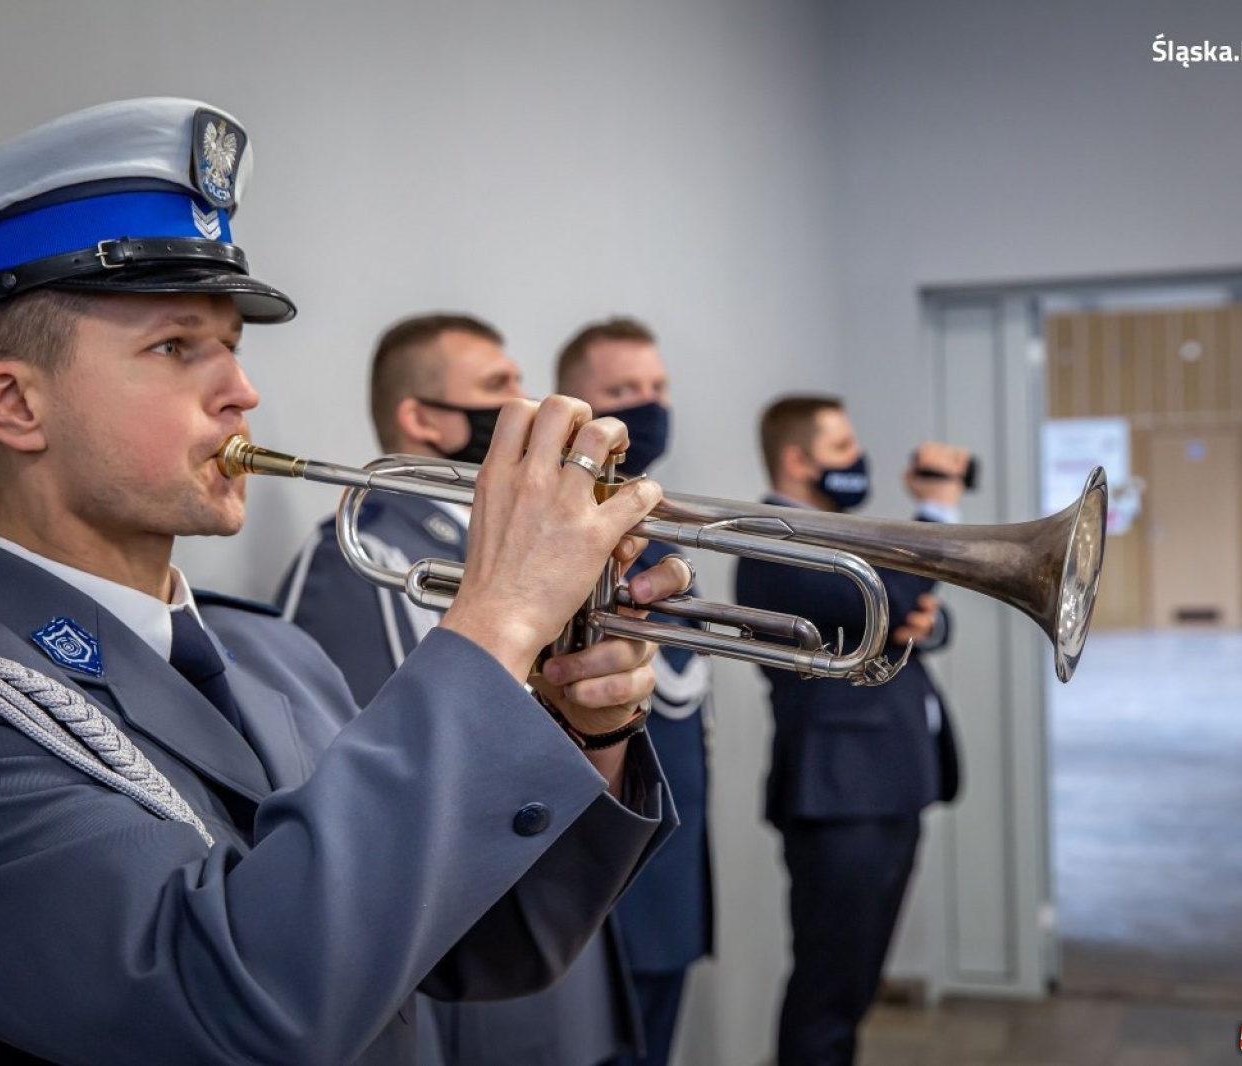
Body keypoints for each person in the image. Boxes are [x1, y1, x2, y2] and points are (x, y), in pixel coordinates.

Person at [0, 97, 696, 1066]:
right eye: (176, 347)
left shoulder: (272, 647)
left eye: (233, 343)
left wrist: (587, 725)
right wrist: (499, 619)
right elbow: (231, 1008)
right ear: (15, 404)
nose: (242, 388)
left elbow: (484, 946)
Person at [279, 313, 640, 1066]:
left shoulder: (534, 550)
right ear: (423, 421)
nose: (528, 401)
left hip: (558, 926)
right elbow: (373, 791)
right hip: (475, 974)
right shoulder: (365, 556)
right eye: (497, 387)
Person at [732, 395, 965, 1066]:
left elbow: (907, 623)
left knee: (854, 985)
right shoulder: (773, 537)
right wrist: (937, 512)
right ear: (798, 459)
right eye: (841, 447)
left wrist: (932, 625)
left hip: (888, 784)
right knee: (828, 991)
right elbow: (885, 603)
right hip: (839, 794)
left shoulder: (839, 536)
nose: (857, 460)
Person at [553, 317, 713, 1066]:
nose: (649, 405)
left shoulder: (665, 533)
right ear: (578, 409)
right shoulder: (557, 536)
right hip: (593, 878)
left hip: (671, 859)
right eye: (624, 391)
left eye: (658, 388)